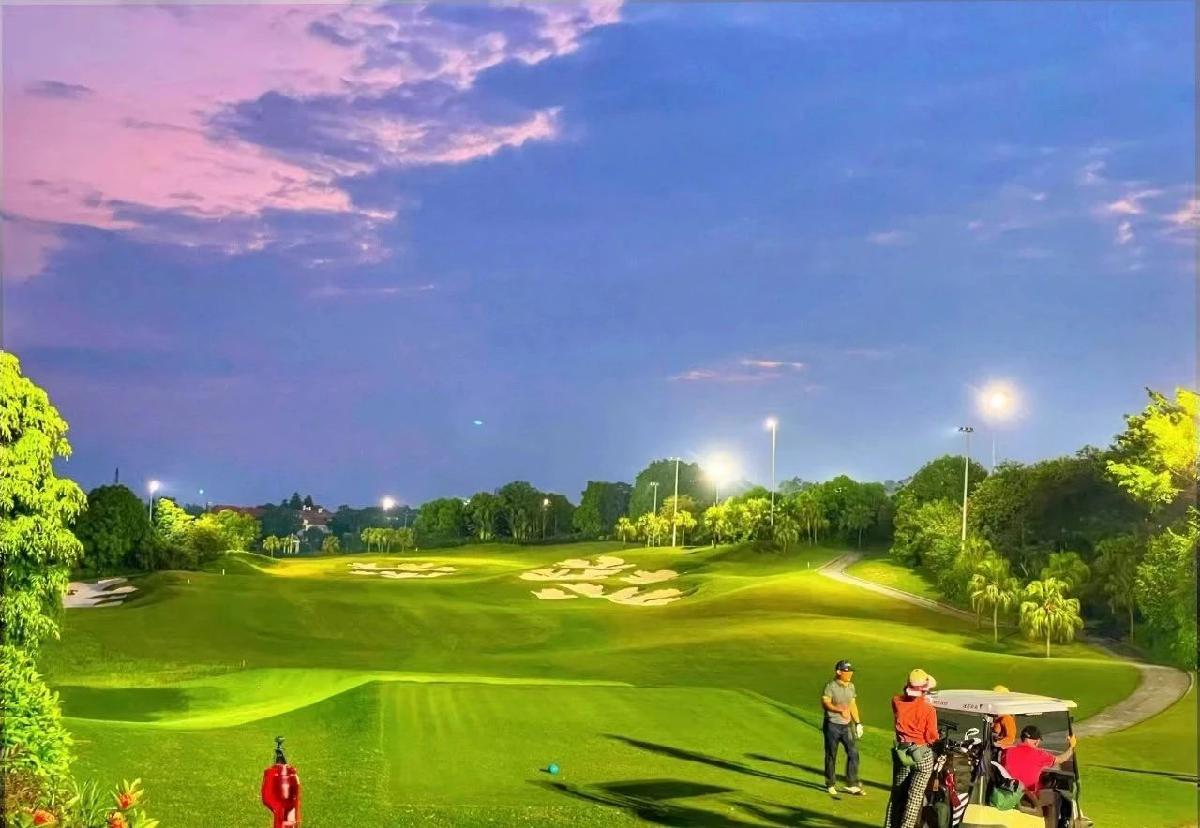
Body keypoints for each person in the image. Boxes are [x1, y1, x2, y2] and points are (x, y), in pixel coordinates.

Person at [884, 669, 939, 828]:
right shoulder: (929, 709)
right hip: (921, 755)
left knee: (897, 795)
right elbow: (931, 736)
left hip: (902, 752)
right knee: (914, 798)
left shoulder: (896, 702)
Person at [1002, 724, 1077, 828]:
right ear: (1036, 741)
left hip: (1009, 791)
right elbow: (1061, 759)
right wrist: (1072, 746)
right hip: (1028, 797)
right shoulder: (1039, 754)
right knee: (1055, 796)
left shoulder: (1008, 751)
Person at [820, 659, 864, 796]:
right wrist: (839, 710)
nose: (850, 673)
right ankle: (830, 783)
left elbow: (852, 704)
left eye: (851, 671)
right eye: (847, 671)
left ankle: (851, 783)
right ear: (839, 672)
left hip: (847, 726)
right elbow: (826, 703)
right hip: (832, 725)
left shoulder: (851, 686)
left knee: (853, 753)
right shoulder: (830, 686)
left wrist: (858, 723)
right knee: (831, 754)